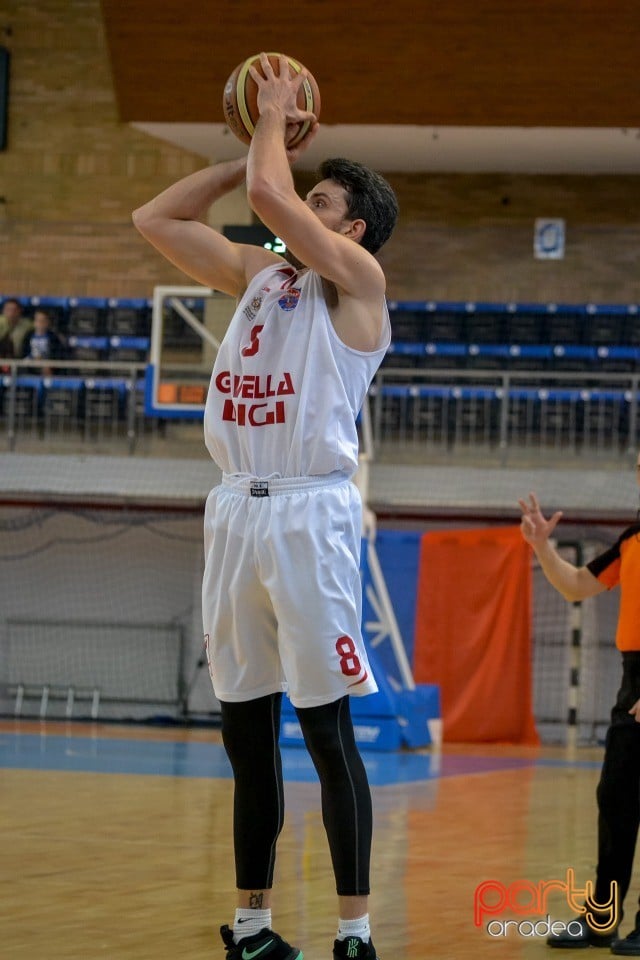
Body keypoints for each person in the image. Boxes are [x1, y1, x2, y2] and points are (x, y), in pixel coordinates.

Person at [133, 53, 398, 960]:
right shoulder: (257, 273)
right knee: (245, 727)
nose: (295, 207)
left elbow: (275, 200)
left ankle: (355, 932)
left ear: (352, 227)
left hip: (307, 515)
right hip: (233, 513)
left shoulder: (358, 286)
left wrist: (274, 128)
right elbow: (156, 217)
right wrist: (251, 139)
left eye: (320, 204)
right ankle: (252, 925)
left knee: (325, 732)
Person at [519, 473, 640, 957]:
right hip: (633, 680)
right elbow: (575, 585)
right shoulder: (632, 539)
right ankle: (601, 919)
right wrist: (542, 548)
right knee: (615, 799)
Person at [21, 309, 67, 375]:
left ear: (48, 322)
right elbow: (24, 352)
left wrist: (48, 364)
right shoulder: (28, 335)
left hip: (47, 364)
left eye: (43, 320)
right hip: (31, 363)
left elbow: (57, 354)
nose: (40, 323)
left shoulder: (53, 337)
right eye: (38, 320)